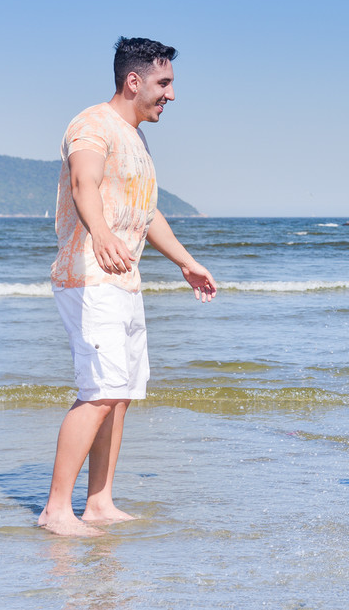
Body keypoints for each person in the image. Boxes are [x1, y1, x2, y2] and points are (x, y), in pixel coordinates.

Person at [37, 36, 217, 537]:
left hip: (124, 282)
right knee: (99, 391)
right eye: (165, 84)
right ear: (133, 81)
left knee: (120, 394)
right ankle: (56, 510)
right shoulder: (92, 124)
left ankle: (99, 503)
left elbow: (146, 209)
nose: (172, 96)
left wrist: (186, 263)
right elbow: (83, 184)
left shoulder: (136, 137)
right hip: (89, 276)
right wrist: (101, 233)